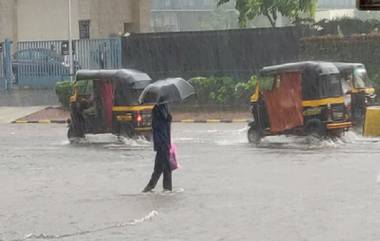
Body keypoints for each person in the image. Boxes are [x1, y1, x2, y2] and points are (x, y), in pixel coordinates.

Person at [143, 103, 172, 192]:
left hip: (165, 142)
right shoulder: (158, 109)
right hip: (162, 142)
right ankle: (151, 187)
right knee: (161, 167)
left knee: (165, 167)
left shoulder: (164, 107)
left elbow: (166, 126)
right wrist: (168, 118)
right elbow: (159, 126)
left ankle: (166, 188)